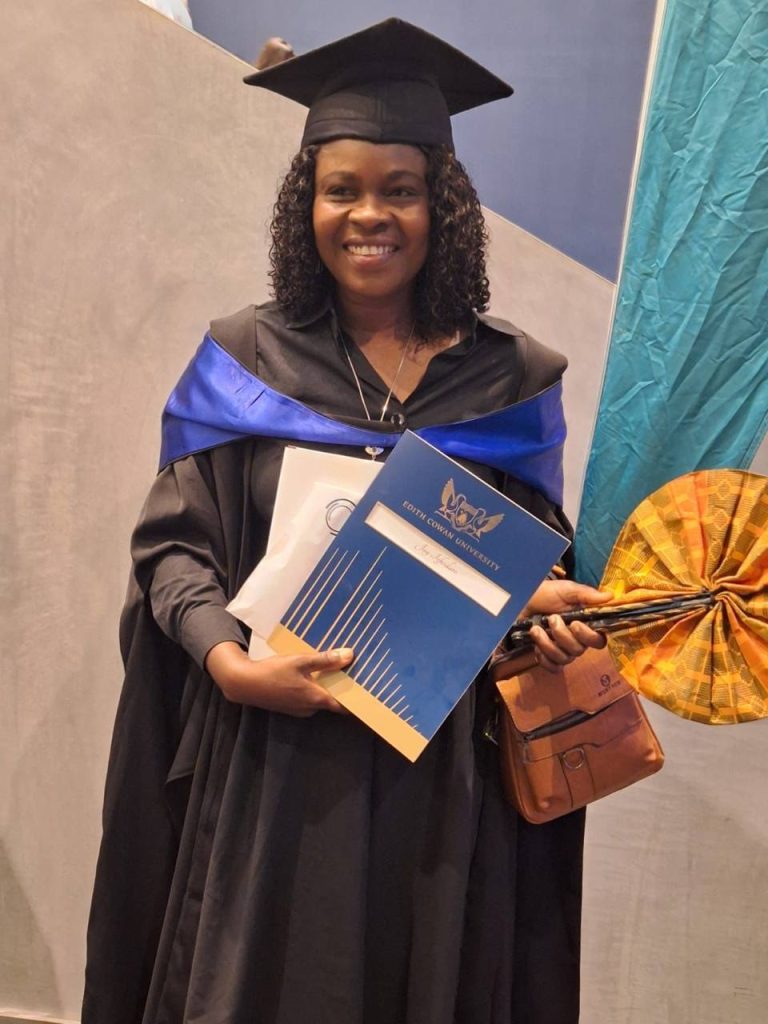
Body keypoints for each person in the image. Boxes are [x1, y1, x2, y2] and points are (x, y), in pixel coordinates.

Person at [83, 19, 608, 1024]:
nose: (369, 215)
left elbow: (526, 572)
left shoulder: (511, 381)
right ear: (307, 204)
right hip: (272, 763)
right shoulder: (246, 360)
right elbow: (176, 550)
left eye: (400, 190)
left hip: (439, 777)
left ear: (442, 205)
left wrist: (543, 625)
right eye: (342, 190)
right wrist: (229, 665)